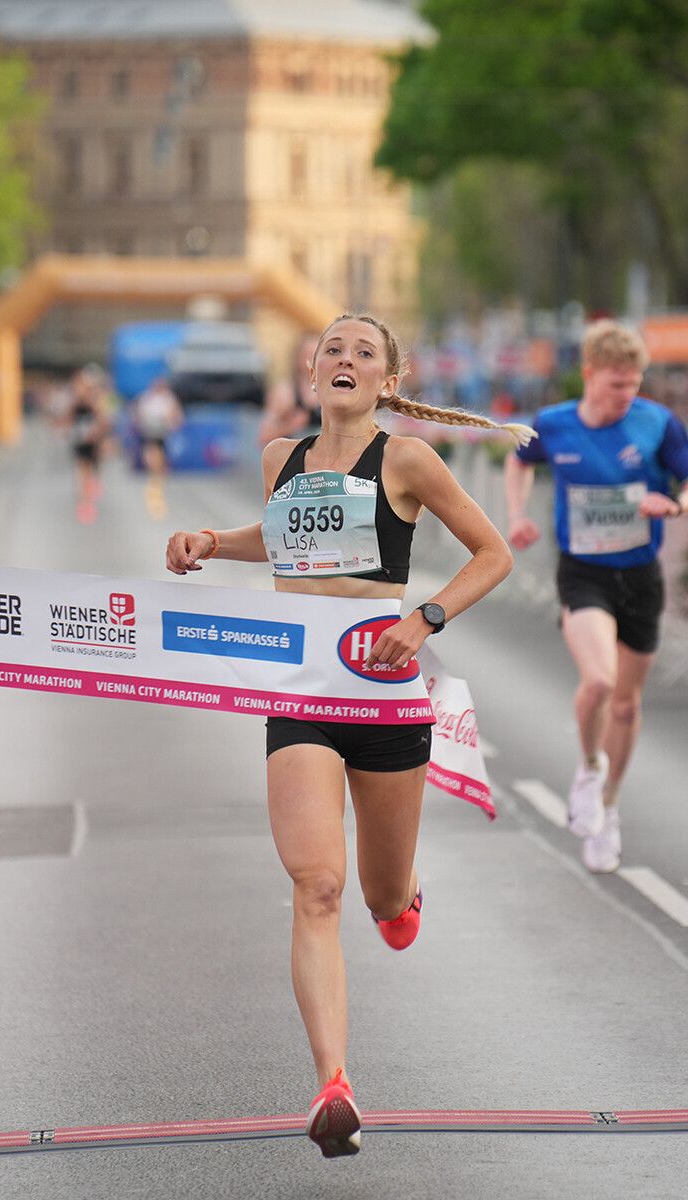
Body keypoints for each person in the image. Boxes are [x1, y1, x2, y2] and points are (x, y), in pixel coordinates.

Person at [166, 313, 532, 1159]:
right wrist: (210, 542)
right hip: (300, 695)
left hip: (384, 700)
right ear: (312, 371)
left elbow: (491, 554)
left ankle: (402, 899)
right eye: (333, 348)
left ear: (387, 383)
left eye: (364, 353)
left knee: (379, 896)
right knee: (317, 887)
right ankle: (334, 1083)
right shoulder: (280, 459)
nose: (345, 358)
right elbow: (281, 543)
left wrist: (425, 617)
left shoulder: (406, 460)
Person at [505, 319, 688, 874]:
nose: (626, 394)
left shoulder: (657, 423)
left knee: (626, 701)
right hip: (584, 573)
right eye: (616, 384)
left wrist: (676, 505)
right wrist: (517, 514)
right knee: (599, 681)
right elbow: (518, 459)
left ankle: (609, 806)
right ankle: (589, 767)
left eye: (634, 383)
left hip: (640, 575)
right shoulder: (554, 424)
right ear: (589, 374)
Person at [65, 365, 111, 524]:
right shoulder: (75, 403)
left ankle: (91, 488)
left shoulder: (95, 401)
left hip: (93, 441)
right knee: (81, 471)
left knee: (92, 468)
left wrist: (98, 435)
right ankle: (85, 504)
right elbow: (67, 419)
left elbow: (103, 420)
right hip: (79, 441)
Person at [133, 377, 184, 519]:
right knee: (152, 458)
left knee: (160, 462)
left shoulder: (169, 398)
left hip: (162, 433)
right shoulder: (146, 398)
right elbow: (138, 413)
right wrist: (141, 423)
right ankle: (154, 486)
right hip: (149, 433)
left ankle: (157, 487)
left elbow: (177, 415)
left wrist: (172, 421)